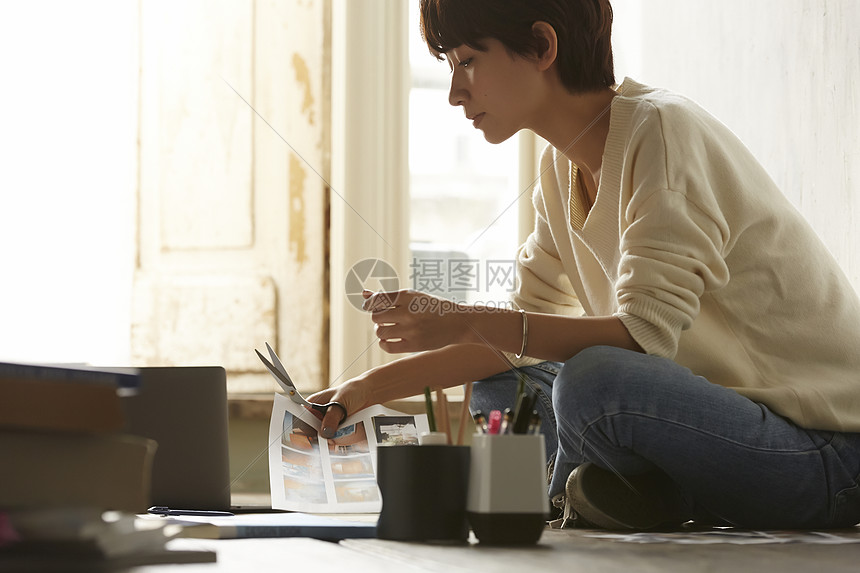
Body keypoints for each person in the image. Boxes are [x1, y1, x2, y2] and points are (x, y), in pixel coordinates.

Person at [309, 0, 860, 530]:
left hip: (820, 453)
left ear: (543, 45)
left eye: (469, 61)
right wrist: (362, 389)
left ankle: (575, 493)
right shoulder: (559, 171)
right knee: (505, 381)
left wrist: (464, 317)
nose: (455, 92)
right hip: (718, 430)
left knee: (591, 380)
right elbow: (515, 339)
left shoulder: (660, 132)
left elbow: (643, 337)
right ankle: (605, 493)